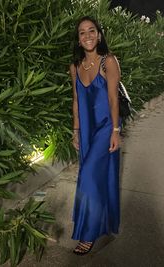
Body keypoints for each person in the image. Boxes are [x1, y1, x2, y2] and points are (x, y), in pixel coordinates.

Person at [69, 16, 121, 255]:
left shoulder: (108, 62)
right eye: (82, 32)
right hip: (87, 129)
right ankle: (94, 224)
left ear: (99, 35)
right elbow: (77, 100)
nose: (87, 35)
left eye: (92, 31)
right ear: (78, 40)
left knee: (89, 175)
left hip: (105, 127)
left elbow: (113, 98)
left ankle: (88, 235)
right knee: (90, 177)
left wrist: (115, 131)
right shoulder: (75, 67)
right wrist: (76, 131)